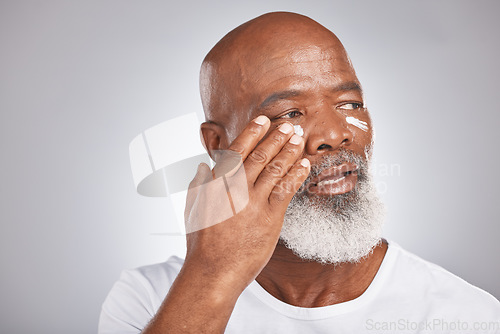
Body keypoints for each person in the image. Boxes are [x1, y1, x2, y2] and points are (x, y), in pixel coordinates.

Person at [99, 12, 500, 333]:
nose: (336, 134)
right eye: (290, 114)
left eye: (349, 104)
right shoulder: (148, 300)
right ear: (219, 145)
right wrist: (210, 276)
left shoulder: (466, 316)